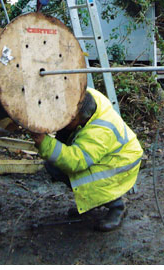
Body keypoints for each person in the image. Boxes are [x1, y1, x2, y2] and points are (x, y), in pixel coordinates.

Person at [30, 88, 143, 232]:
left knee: (76, 173)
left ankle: (117, 206)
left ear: (82, 118)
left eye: (69, 118)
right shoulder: (83, 96)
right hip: (112, 152)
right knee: (54, 165)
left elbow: (76, 161)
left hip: (121, 162)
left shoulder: (99, 132)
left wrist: (44, 143)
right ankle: (92, 202)